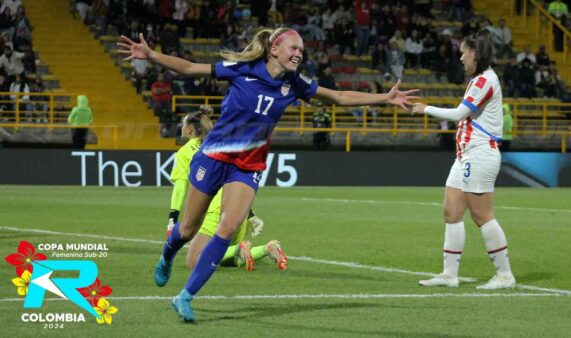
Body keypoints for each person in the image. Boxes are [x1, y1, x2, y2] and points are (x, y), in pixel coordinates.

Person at [118, 27, 418, 323]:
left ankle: (185, 296)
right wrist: (151, 56)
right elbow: (188, 67)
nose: (299, 54)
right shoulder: (243, 69)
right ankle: (167, 256)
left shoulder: (295, 83)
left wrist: (383, 98)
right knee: (187, 229)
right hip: (213, 157)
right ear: (274, 49)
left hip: (248, 166)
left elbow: (338, 96)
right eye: (293, 48)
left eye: (302, 50)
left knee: (229, 226)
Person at [412, 31, 516, 290]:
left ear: (475, 53)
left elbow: (460, 114)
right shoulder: (479, 80)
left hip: (480, 153)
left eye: (464, 52)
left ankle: (505, 275)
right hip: (466, 155)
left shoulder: (485, 80)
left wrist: (426, 109)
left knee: (482, 215)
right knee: (451, 212)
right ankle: (449, 274)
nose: (460, 57)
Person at [168, 106, 287, 272]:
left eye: (183, 123)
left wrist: (172, 218)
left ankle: (239, 249)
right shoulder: (221, 145)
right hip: (237, 210)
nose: (181, 126)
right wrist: (250, 214)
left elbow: (180, 188)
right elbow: (235, 181)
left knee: (195, 260)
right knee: (229, 260)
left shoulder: (185, 152)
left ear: (189, 129)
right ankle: (267, 249)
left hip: (213, 210)